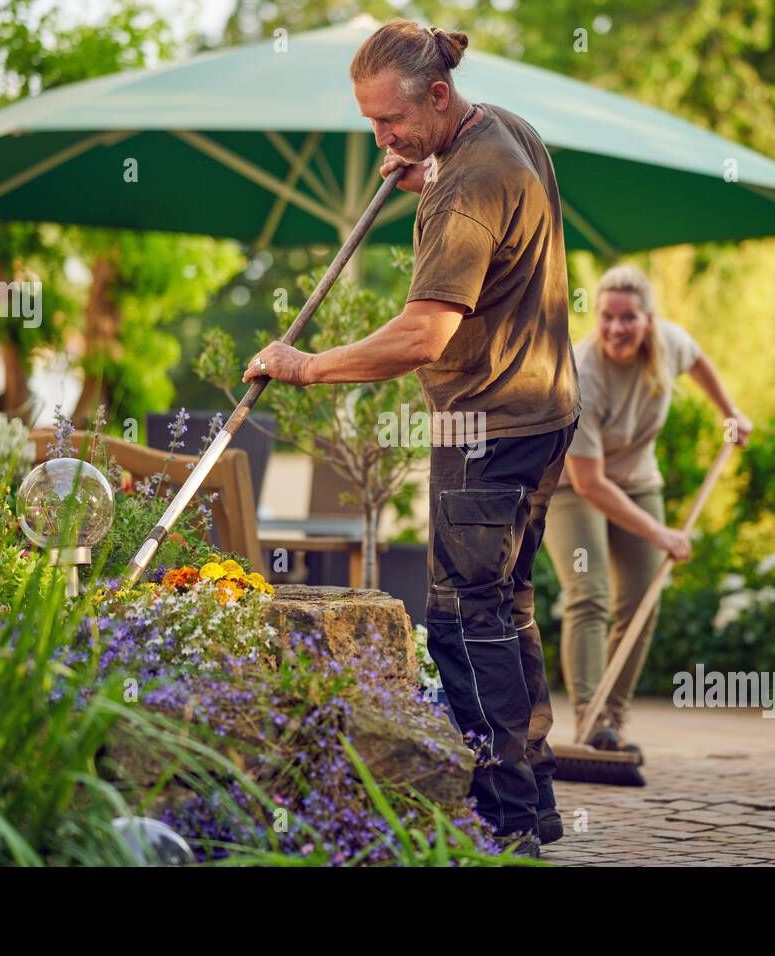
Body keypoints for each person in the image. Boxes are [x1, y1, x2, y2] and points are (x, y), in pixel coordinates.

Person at [241, 19, 579, 855]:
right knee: (508, 608)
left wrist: (305, 364)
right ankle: (532, 803)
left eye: (390, 122)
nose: (380, 138)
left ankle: (499, 823)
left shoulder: (467, 184)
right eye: (370, 123)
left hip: (486, 426)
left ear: (436, 96)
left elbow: (422, 335)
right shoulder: (504, 131)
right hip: (543, 409)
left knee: (463, 618)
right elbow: (489, 226)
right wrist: (423, 173)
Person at [543, 264, 751, 751]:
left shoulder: (669, 344)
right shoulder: (582, 374)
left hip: (636, 480)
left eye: (628, 318)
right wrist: (661, 535)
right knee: (589, 593)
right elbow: (590, 483)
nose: (616, 328)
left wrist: (731, 412)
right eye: (607, 317)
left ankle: (612, 719)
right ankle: (590, 720)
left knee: (641, 601)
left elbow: (698, 360)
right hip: (573, 488)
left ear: (648, 320)